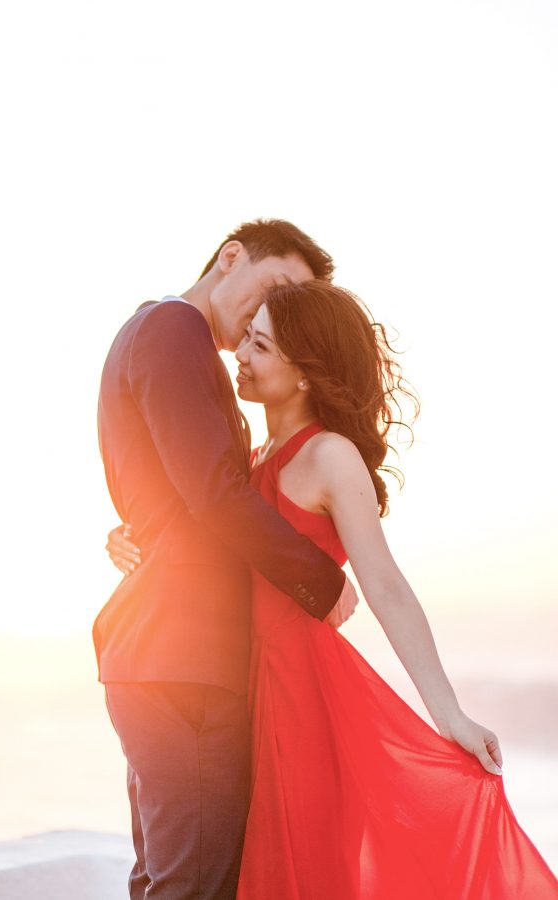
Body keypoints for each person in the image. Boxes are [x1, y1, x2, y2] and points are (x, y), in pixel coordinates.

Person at [109, 280, 558, 898]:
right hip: (239, 691)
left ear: (302, 375)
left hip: (301, 697)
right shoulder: (249, 458)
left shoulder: (330, 456)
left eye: (261, 346)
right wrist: (129, 536)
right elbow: (206, 525)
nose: (239, 351)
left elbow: (385, 585)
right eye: (248, 337)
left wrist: (447, 712)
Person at [93, 219, 359, 900]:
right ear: (230, 257)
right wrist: (321, 578)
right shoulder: (172, 331)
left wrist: (133, 532)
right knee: (193, 886)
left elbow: (174, 490)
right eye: (276, 288)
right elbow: (215, 493)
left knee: (165, 877)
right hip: (184, 659)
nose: (273, 316)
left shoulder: (155, 335)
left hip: (161, 654)